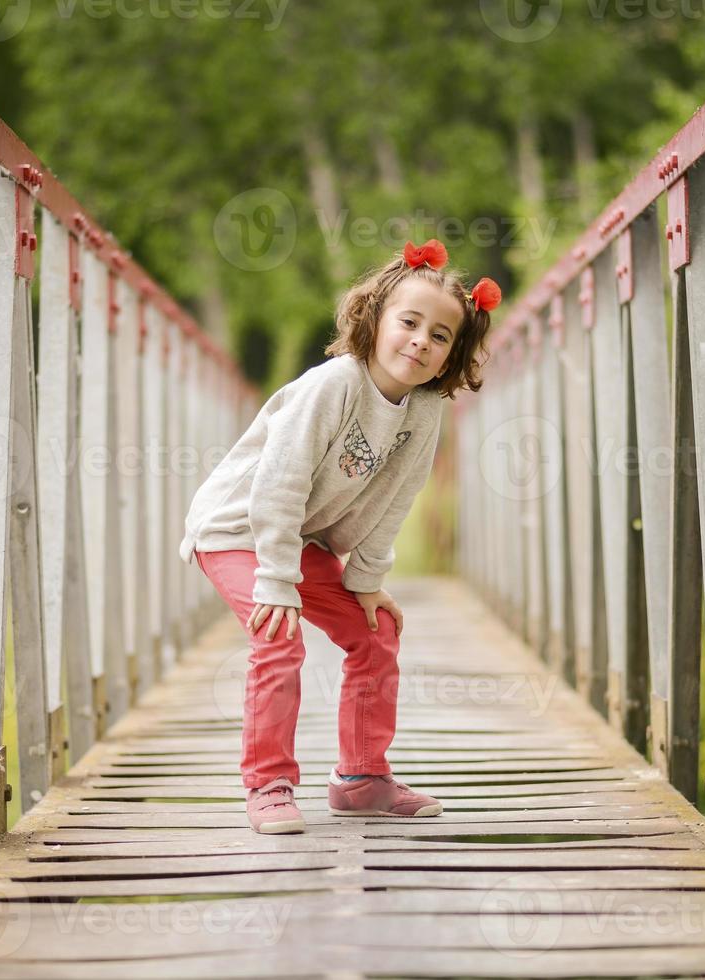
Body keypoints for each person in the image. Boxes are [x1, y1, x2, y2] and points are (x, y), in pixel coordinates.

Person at [178, 238, 500, 834]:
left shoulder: (426, 411)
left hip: (300, 540)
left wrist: (367, 582)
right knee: (279, 634)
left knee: (376, 633)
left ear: (452, 353)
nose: (420, 342)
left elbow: (396, 499)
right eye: (409, 323)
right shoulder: (335, 385)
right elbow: (279, 482)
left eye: (439, 336)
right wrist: (277, 580)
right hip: (236, 527)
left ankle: (361, 779)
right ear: (375, 320)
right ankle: (268, 784)